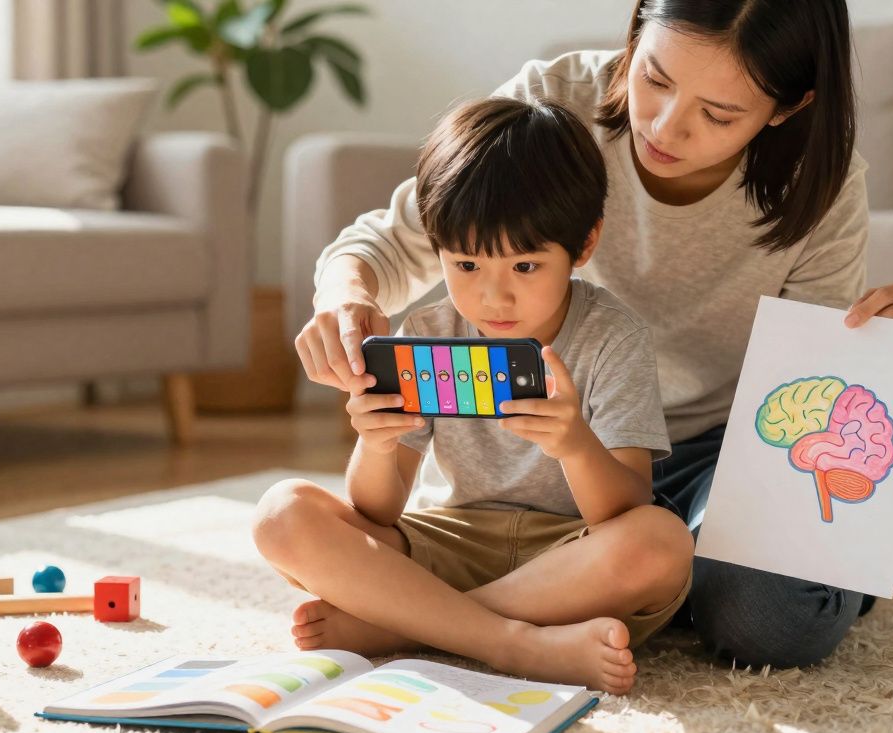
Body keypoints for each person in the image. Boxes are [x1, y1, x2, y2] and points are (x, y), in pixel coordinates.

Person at [295, 0, 893, 670]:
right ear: (635, 34)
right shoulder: (553, 105)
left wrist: (872, 347)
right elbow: (397, 239)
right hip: (559, 461)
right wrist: (344, 297)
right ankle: (533, 615)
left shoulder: (819, 185)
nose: (664, 125)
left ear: (787, 107)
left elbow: (805, 394)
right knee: (297, 520)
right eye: (654, 78)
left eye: (718, 114)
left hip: (718, 450)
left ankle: (426, 620)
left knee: (771, 621)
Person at [254, 97, 693, 695]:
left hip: (567, 561)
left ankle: (407, 624)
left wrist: (575, 445)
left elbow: (624, 509)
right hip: (445, 541)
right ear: (436, 247)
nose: (494, 297)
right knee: (281, 514)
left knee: (662, 541)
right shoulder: (427, 334)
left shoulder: (612, 337)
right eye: (465, 265)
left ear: (584, 245)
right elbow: (377, 511)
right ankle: (512, 642)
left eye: (525, 267)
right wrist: (376, 444)